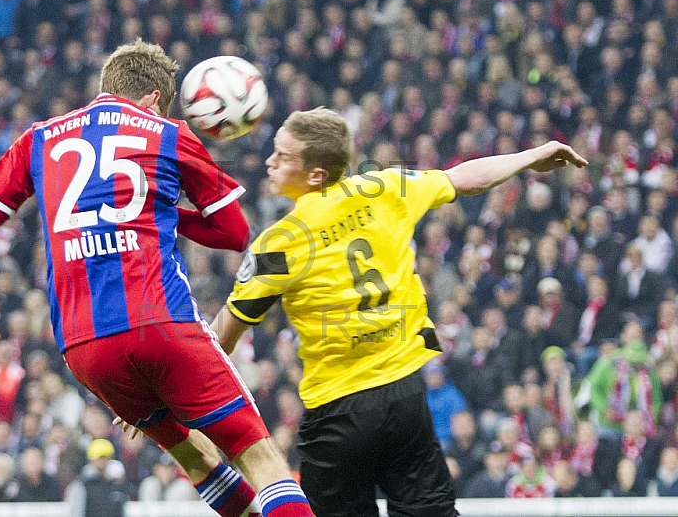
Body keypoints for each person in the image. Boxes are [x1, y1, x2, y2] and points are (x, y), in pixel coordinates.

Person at [0, 39, 312, 517]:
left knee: (194, 455)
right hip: (159, 321)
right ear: (152, 98)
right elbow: (234, 233)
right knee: (257, 452)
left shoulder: (38, 138)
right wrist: (162, 212)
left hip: (84, 348)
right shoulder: (166, 133)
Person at [211, 108, 587, 516]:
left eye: (283, 156)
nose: (270, 161)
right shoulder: (384, 188)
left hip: (337, 411)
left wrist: (164, 388)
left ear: (316, 174)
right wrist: (531, 156)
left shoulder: (279, 244)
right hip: (403, 397)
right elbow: (463, 178)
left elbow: (221, 340)